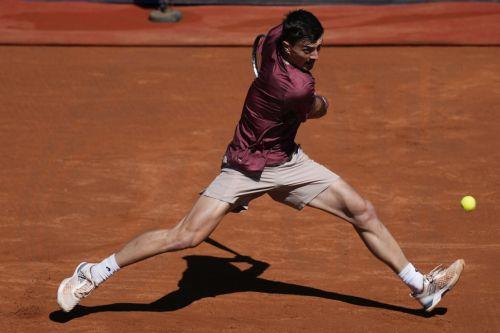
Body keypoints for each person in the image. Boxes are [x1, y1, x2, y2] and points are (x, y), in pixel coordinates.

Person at [57, 9, 464, 314]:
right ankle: (94, 272)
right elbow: (318, 109)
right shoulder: (295, 86)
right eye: (309, 50)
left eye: (321, 46)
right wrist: (325, 103)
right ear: (288, 48)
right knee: (185, 237)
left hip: (288, 162)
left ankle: (421, 287)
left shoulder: (276, 37)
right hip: (245, 166)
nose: (317, 55)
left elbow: (287, 30)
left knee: (362, 211)